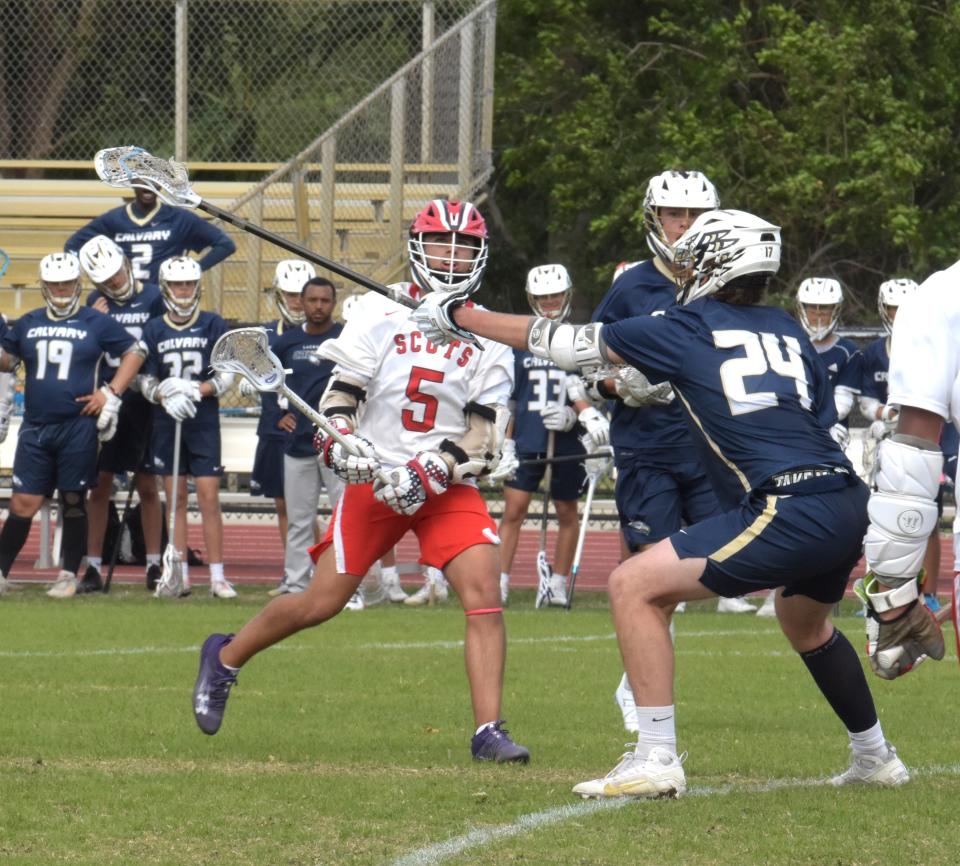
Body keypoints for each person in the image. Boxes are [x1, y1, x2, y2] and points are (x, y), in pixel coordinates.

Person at [415, 208, 910, 795]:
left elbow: (565, 344)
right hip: (846, 496)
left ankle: (654, 757)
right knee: (804, 623)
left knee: (632, 585)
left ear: (713, 263)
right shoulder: (786, 328)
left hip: (790, 503)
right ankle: (875, 757)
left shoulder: (687, 324)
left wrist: (459, 315)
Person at [192, 199, 529, 764]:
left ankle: (488, 731)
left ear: (479, 255)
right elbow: (343, 392)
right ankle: (224, 657)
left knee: (483, 590)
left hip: (444, 487)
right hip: (377, 480)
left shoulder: (489, 333)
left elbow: (483, 433)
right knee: (319, 602)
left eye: (463, 246)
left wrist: (434, 469)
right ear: (419, 248)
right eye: (441, 244)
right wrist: (340, 438)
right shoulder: (380, 310)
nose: (451, 255)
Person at [591, 171, 751, 731]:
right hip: (648, 450)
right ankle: (640, 688)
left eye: (693, 215)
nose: (682, 225)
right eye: (673, 214)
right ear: (653, 218)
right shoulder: (632, 285)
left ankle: (640, 668)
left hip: (711, 448)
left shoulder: (725, 283)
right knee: (648, 569)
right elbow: (591, 365)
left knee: (726, 567)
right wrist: (620, 386)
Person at [0, 252, 144, 598]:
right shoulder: (29, 321)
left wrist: (110, 393)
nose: (61, 289)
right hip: (35, 425)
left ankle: (66, 574)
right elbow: (6, 361)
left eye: (66, 282)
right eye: (55, 283)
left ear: (77, 284)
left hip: (78, 424)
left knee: (73, 498)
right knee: (23, 502)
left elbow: (135, 352)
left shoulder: (95, 321)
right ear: (45, 286)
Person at [491, 263, 609, 606]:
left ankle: (557, 582)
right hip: (528, 435)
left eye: (555, 294)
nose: (550, 302)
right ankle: (500, 580)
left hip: (567, 438)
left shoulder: (580, 339)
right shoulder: (519, 340)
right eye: (542, 297)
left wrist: (574, 415)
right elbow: (509, 398)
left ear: (567, 294)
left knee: (566, 509)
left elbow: (598, 390)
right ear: (532, 299)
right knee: (514, 509)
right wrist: (507, 441)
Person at [755, 276, 860, 617]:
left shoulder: (847, 351)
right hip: (791, 439)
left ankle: (824, 593)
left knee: (836, 515)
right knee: (783, 512)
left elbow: (842, 402)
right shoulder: (785, 342)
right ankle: (778, 590)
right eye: (813, 308)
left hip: (832, 442)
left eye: (824, 309)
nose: (817, 316)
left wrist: (822, 428)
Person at [139, 256, 235, 598]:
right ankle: (177, 574)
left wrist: (196, 389)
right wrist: (162, 393)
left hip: (202, 420)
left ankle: (217, 576)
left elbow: (226, 375)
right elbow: (145, 378)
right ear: (166, 287)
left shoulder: (212, 324)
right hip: (168, 421)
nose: (184, 290)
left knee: (209, 497)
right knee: (175, 499)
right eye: (179, 284)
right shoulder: (154, 328)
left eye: (190, 284)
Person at [75, 235, 166, 593]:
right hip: (107, 397)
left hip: (144, 396)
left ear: (126, 264)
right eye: (106, 278)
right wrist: (88, 322)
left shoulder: (154, 296)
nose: (114, 282)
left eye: (116, 274)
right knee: (100, 484)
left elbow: (160, 341)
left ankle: (155, 564)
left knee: (146, 483)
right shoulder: (93, 302)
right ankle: (93, 566)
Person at [268, 276, 344, 598]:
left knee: (344, 521)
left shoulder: (346, 339)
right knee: (300, 520)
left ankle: (346, 588)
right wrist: (277, 415)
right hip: (297, 444)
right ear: (302, 301)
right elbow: (267, 383)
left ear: (333, 303)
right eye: (312, 300)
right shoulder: (286, 343)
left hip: (337, 444)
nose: (318, 307)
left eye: (324, 301)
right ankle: (296, 584)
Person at [245, 259, 316, 590]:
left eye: (300, 294)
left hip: (309, 429)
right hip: (275, 428)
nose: (295, 301)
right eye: (289, 294)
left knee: (306, 508)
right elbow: (257, 380)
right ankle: (294, 571)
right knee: (283, 505)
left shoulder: (323, 335)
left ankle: (314, 571)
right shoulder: (267, 334)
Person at [65, 187, 236, 288]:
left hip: (165, 297)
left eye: (153, 181)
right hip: (123, 298)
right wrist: (95, 274)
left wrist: (195, 269)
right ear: (132, 182)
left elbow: (225, 245)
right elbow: (72, 246)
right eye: (142, 181)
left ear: (160, 184)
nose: (148, 187)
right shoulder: (113, 219)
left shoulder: (179, 218)